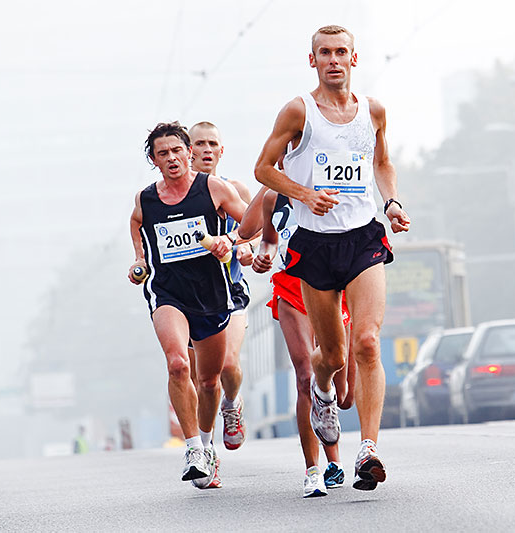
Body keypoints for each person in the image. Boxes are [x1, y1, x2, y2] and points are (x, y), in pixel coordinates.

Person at [254, 25, 411, 491]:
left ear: (354, 59)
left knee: (366, 343)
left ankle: (369, 450)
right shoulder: (299, 112)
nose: (334, 60)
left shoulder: (373, 110)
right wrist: (305, 193)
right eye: (325, 53)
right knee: (333, 356)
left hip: (364, 237)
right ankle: (322, 393)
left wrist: (392, 202)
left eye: (342, 52)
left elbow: (382, 163)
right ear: (313, 61)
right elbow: (262, 169)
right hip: (316, 243)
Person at [128, 121, 248, 489]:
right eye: (162, 154)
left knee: (209, 380)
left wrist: (229, 240)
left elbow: (253, 224)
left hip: (212, 294)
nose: (172, 158)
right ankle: (193, 448)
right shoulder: (146, 199)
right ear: (154, 160)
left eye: (177, 151)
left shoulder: (213, 188)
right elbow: (137, 223)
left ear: (188, 154)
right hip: (168, 294)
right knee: (179, 364)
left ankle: (208, 445)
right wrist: (140, 261)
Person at [251, 184, 356, 498]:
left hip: (335, 290)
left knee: (344, 393)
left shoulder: (335, 185)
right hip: (291, 289)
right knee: (304, 376)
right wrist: (263, 255)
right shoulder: (273, 195)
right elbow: (265, 238)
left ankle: (331, 429)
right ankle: (317, 468)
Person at [188, 122, 252, 454]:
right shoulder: (172, 196)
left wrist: (242, 246)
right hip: (189, 295)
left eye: (213, 143)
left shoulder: (234, 188)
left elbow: (255, 227)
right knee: (202, 379)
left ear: (221, 151)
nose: (207, 149)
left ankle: (232, 404)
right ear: (189, 150)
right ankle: (205, 449)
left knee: (227, 364)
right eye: (200, 143)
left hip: (230, 289)